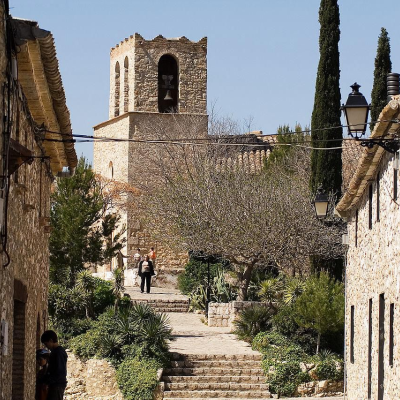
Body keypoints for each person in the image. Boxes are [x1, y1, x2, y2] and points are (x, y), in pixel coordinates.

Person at [41, 330, 68, 400]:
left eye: (46, 344)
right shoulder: (55, 352)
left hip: (57, 385)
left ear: (51, 340)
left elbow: (59, 371)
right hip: (55, 384)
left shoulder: (58, 353)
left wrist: (48, 380)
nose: (46, 346)